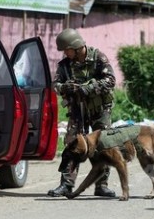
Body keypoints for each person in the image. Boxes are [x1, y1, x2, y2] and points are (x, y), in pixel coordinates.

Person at [47, 28, 116, 198]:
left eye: (67, 50)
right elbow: (54, 85)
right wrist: (65, 87)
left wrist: (89, 88)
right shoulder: (64, 66)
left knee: (104, 144)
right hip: (77, 110)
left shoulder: (98, 58)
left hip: (99, 109)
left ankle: (102, 185)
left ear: (77, 47)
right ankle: (66, 185)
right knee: (72, 145)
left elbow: (110, 80)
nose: (65, 53)